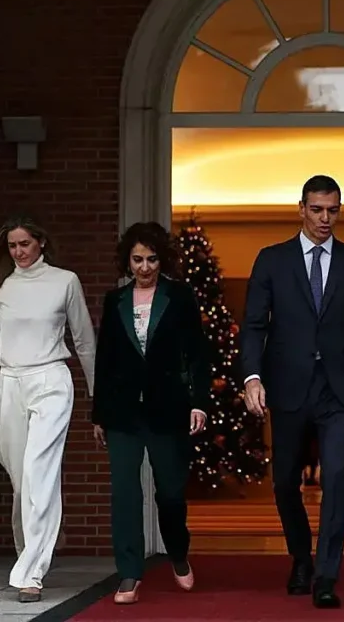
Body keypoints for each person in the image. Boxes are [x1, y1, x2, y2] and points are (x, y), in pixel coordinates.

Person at [241, 175, 344, 609]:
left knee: (336, 478)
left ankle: (326, 575)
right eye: (317, 209)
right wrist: (252, 378)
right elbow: (254, 325)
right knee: (285, 482)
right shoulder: (271, 260)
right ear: (300, 208)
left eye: (333, 210)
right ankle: (300, 556)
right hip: (288, 387)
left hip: (338, 391)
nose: (325, 218)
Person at [0, 214, 96, 603]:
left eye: (25, 244)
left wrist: (95, 393)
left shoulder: (64, 281)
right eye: (13, 246)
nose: (18, 252)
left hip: (51, 379)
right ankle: (31, 546)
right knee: (22, 480)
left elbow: (83, 340)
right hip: (9, 383)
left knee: (38, 470)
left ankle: (32, 571)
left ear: (41, 243)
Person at [91, 222, 210, 605]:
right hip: (122, 411)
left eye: (152, 259)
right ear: (127, 260)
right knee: (125, 492)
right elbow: (105, 360)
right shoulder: (115, 300)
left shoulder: (180, 296)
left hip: (168, 407)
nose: (145, 267)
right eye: (138, 259)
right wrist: (98, 414)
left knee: (171, 492)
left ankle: (177, 552)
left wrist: (199, 401)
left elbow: (197, 354)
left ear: (163, 258)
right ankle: (129, 573)